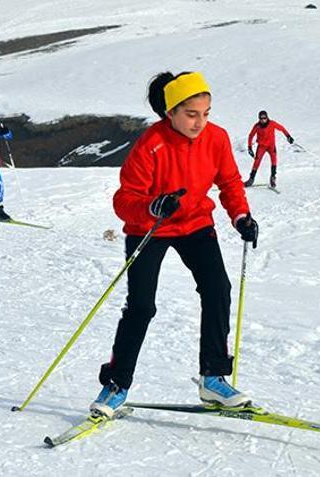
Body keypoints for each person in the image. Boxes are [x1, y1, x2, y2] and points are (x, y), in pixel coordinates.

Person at [90, 71, 260, 418]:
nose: (200, 122)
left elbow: (229, 183)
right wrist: (152, 206)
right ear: (171, 113)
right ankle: (116, 385)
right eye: (191, 114)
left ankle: (212, 378)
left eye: (206, 113)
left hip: (196, 223)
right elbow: (125, 199)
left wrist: (241, 216)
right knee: (141, 306)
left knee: (217, 290)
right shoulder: (150, 144)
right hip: (150, 228)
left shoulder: (217, 138)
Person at [245, 110, 293, 188]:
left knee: (274, 160)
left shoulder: (272, 124)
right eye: (261, 118)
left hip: (271, 146)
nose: (263, 120)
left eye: (264, 118)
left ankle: (273, 178)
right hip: (261, 146)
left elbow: (282, 128)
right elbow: (251, 136)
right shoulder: (257, 126)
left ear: (267, 117)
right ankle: (251, 179)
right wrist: (249, 147)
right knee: (257, 162)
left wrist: (288, 136)